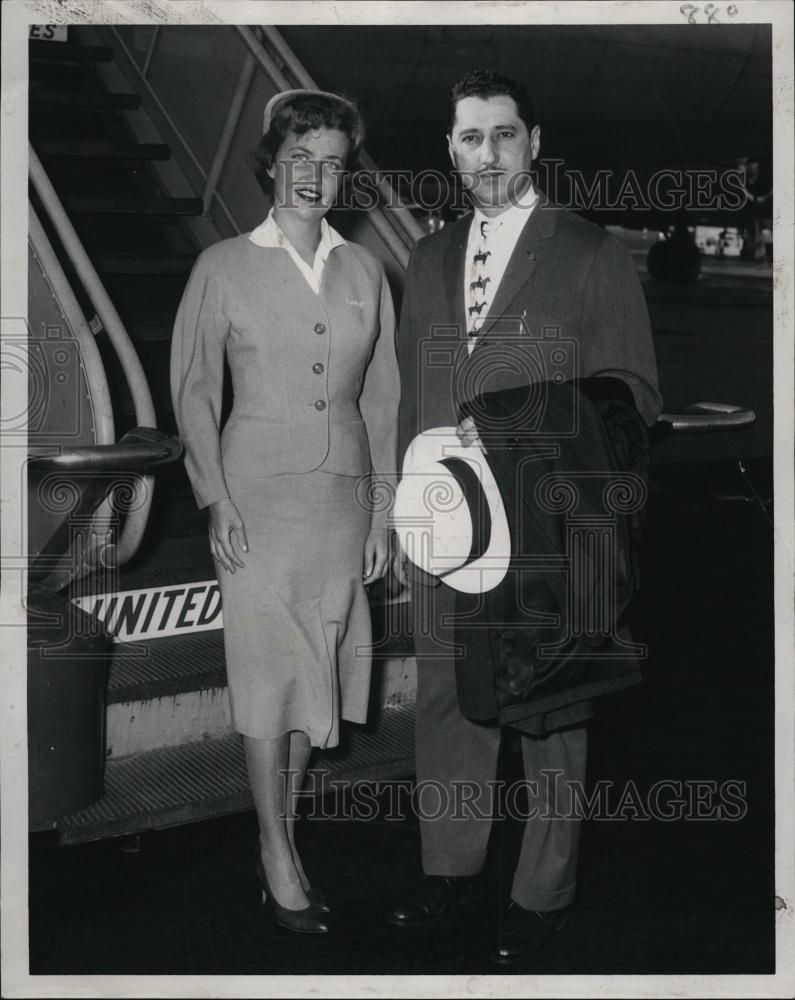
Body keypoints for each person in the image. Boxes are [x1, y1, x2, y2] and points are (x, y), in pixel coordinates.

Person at [390, 70, 661, 964]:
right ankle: (450, 871)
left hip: (546, 518)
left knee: (550, 707)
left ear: (533, 144)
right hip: (443, 517)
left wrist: (517, 426)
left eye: (504, 135)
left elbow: (630, 399)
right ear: (451, 151)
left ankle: (541, 892)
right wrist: (402, 512)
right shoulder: (426, 257)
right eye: (470, 138)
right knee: (444, 697)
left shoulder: (588, 250)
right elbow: (409, 396)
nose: (488, 154)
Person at [170, 89, 399, 934]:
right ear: (271, 162)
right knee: (269, 681)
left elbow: (383, 402)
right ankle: (275, 852)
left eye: (332, 161)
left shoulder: (366, 271)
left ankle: (285, 832)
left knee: (315, 684)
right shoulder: (223, 266)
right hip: (256, 506)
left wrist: (381, 514)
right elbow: (193, 392)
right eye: (300, 157)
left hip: (341, 505)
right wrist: (214, 498)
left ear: (346, 174)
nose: (315, 175)